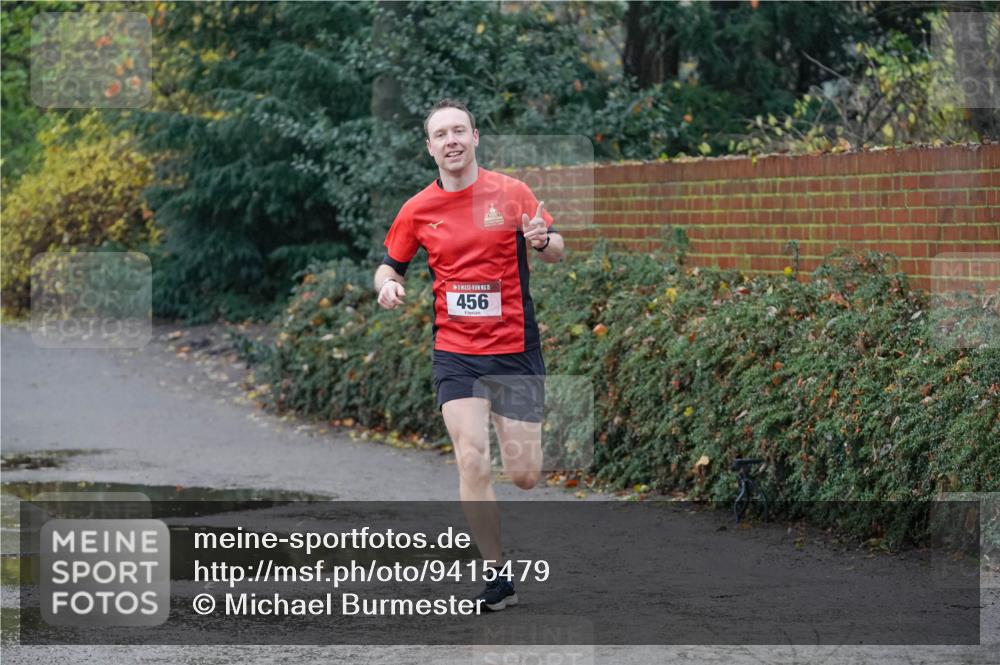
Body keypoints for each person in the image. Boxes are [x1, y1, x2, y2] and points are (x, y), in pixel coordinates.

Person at [373, 99, 565, 611]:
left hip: (515, 349)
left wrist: (543, 240)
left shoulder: (511, 192)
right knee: (472, 458)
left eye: (460, 130)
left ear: (475, 138)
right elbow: (389, 266)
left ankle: (514, 452)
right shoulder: (418, 209)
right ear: (430, 147)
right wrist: (386, 287)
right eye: (442, 134)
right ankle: (497, 575)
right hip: (456, 355)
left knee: (524, 475)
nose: (452, 140)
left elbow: (556, 247)